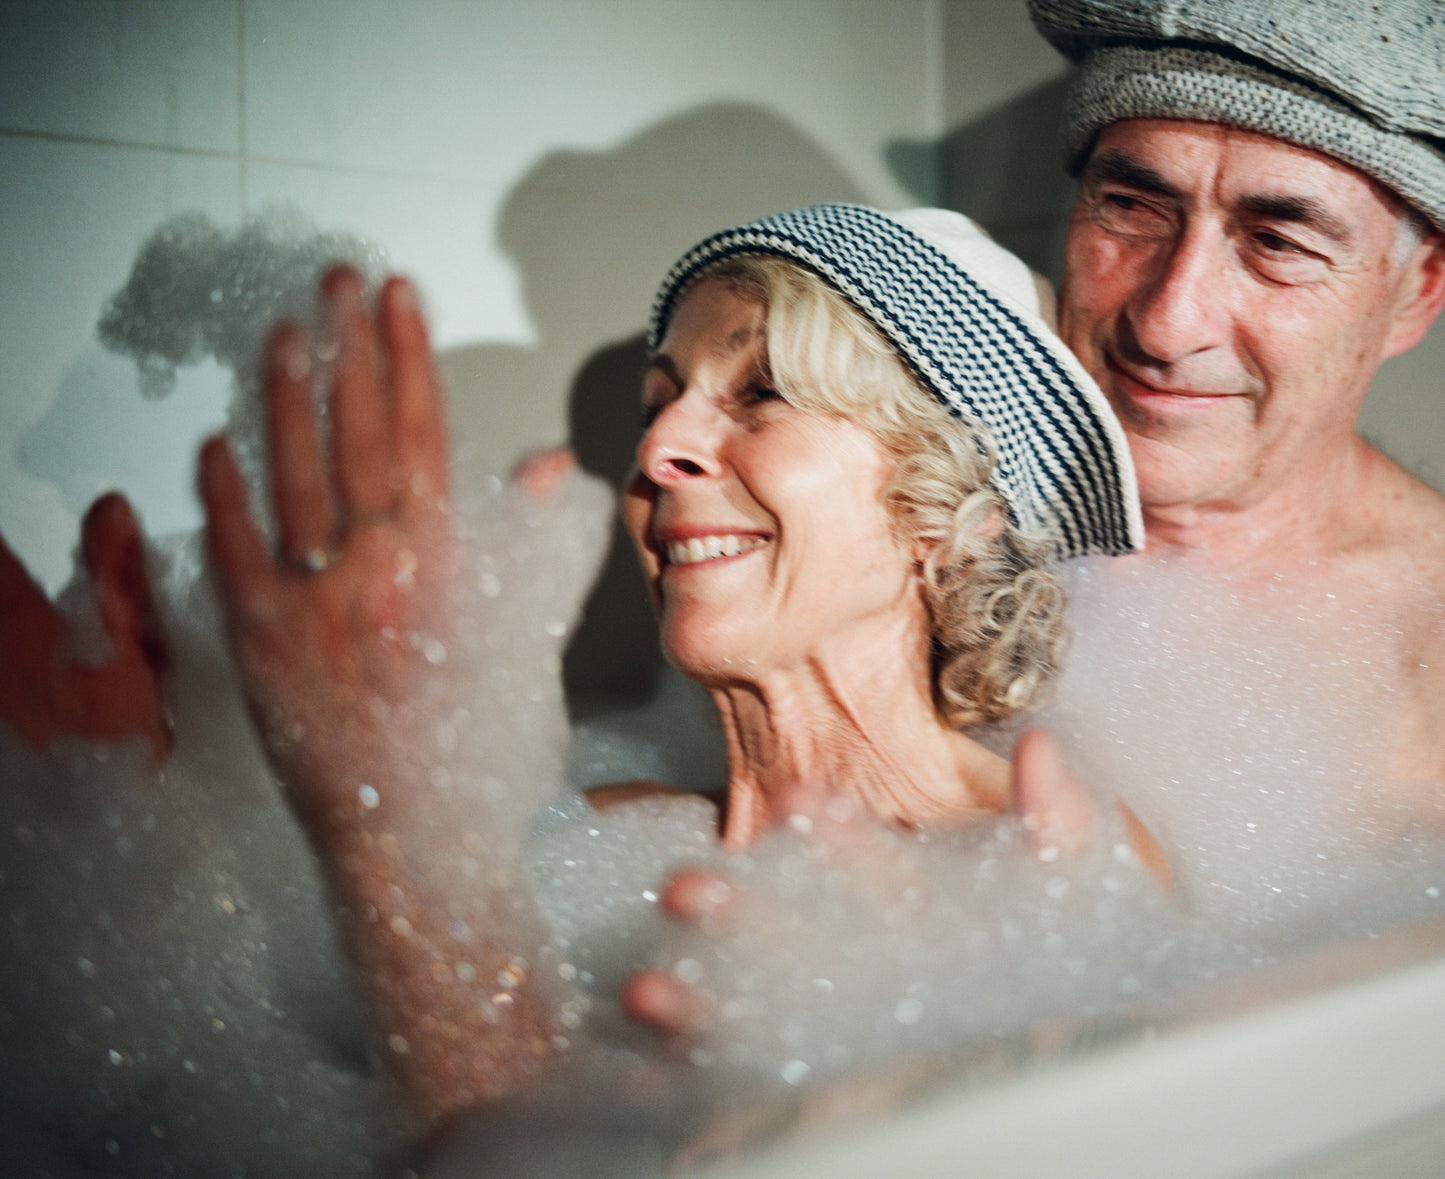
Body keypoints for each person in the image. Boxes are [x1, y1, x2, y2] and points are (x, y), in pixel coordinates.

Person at [186, 202, 1146, 1128]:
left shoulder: (1043, 870)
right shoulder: (586, 840)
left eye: (761, 391)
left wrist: (391, 845)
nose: (656, 449)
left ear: (951, 521)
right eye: (659, 403)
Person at [1028, 0, 1445, 786]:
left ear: (1415, 293)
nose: (1164, 325)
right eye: (1130, 208)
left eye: (1276, 245)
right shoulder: (909, 543)